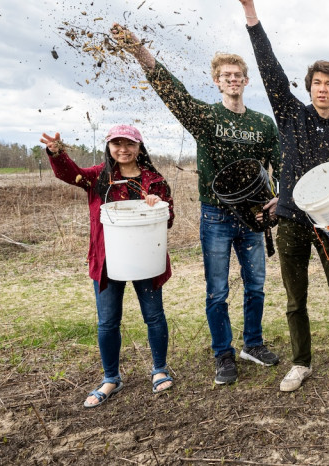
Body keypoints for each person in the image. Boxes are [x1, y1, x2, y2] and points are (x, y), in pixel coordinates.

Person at [220, 0, 329, 393]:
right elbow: (269, 70)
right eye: (317, 83)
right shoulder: (291, 117)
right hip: (290, 219)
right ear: (309, 89)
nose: (322, 89)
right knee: (295, 298)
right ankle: (301, 362)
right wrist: (250, 10)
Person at [112, 25, 282, 386]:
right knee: (217, 289)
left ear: (246, 81)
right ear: (217, 82)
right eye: (226, 76)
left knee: (256, 286)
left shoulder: (263, 123)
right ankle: (223, 353)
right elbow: (175, 94)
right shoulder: (206, 118)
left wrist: (276, 201)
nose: (232, 79)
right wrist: (141, 52)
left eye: (238, 75)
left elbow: (279, 165)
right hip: (216, 215)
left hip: (253, 217)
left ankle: (253, 343)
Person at [41, 125, 174, 408]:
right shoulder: (100, 177)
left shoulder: (154, 180)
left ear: (139, 147)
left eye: (129, 144)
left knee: (154, 316)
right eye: (117, 144)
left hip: (145, 258)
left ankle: (160, 369)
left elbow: (168, 216)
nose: (123, 149)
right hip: (108, 259)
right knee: (108, 322)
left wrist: (157, 204)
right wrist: (57, 154)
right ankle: (111, 377)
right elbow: (69, 174)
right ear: (109, 147)